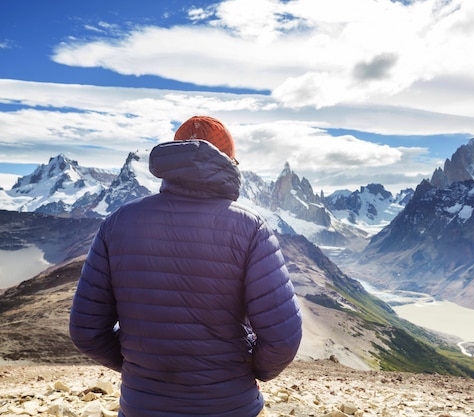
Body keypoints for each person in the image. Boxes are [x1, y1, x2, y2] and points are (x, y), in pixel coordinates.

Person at [69, 115, 303, 417]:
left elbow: (85, 330)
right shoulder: (251, 228)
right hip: (229, 405)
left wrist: (138, 364)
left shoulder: (118, 223)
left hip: (142, 407)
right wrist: (247, 368)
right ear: (230, 161)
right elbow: (283, 339)